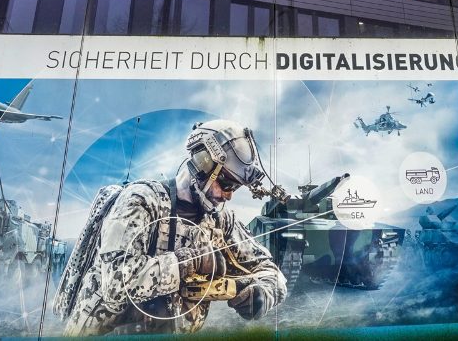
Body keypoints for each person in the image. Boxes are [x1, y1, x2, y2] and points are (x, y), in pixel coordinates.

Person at [53, 120, 288, 335]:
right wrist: (191, 262)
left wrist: (263, 292)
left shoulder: (220, 221)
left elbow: (271, 272)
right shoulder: (141, 201)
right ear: (203, 164)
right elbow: (115, 285)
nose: (228, 195)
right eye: (226, 183)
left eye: (234, 188)